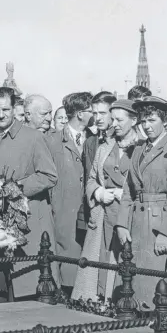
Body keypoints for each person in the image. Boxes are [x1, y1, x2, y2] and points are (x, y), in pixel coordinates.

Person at [0, 87, 58, 303]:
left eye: (6, 109)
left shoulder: (33, 137)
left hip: (26, 225)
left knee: (25, 291)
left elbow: (49, 176)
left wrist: (12, 189)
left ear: (14, 108)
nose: (1, 115)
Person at [116, 96, 167, 310]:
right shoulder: (139, 148)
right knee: (134, 278)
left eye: (152, 120)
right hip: (136, 223)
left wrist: (165, 232)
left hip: (157, 223)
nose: (146, 126)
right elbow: (129, 189)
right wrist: (121, 223)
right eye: (143, 121)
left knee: (154, 281)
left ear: (166, 121)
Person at [72, 99, 140, 301]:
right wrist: (98, 192)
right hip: (102, 214)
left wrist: (126, 194)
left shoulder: (142, 147)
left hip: (127, 215)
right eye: (114, 119)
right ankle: (99, 302)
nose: (115, 124)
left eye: (120, 120)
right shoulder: (106, 145)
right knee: (99, 261)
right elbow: (91, 177)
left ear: (134, 120)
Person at [47, 92, 95, 292]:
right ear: (80, 114)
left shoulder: (95, 139)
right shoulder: (51, 141)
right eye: (91, 111)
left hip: (90, 210)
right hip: (63, 212)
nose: (95, 115)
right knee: (67, 260)